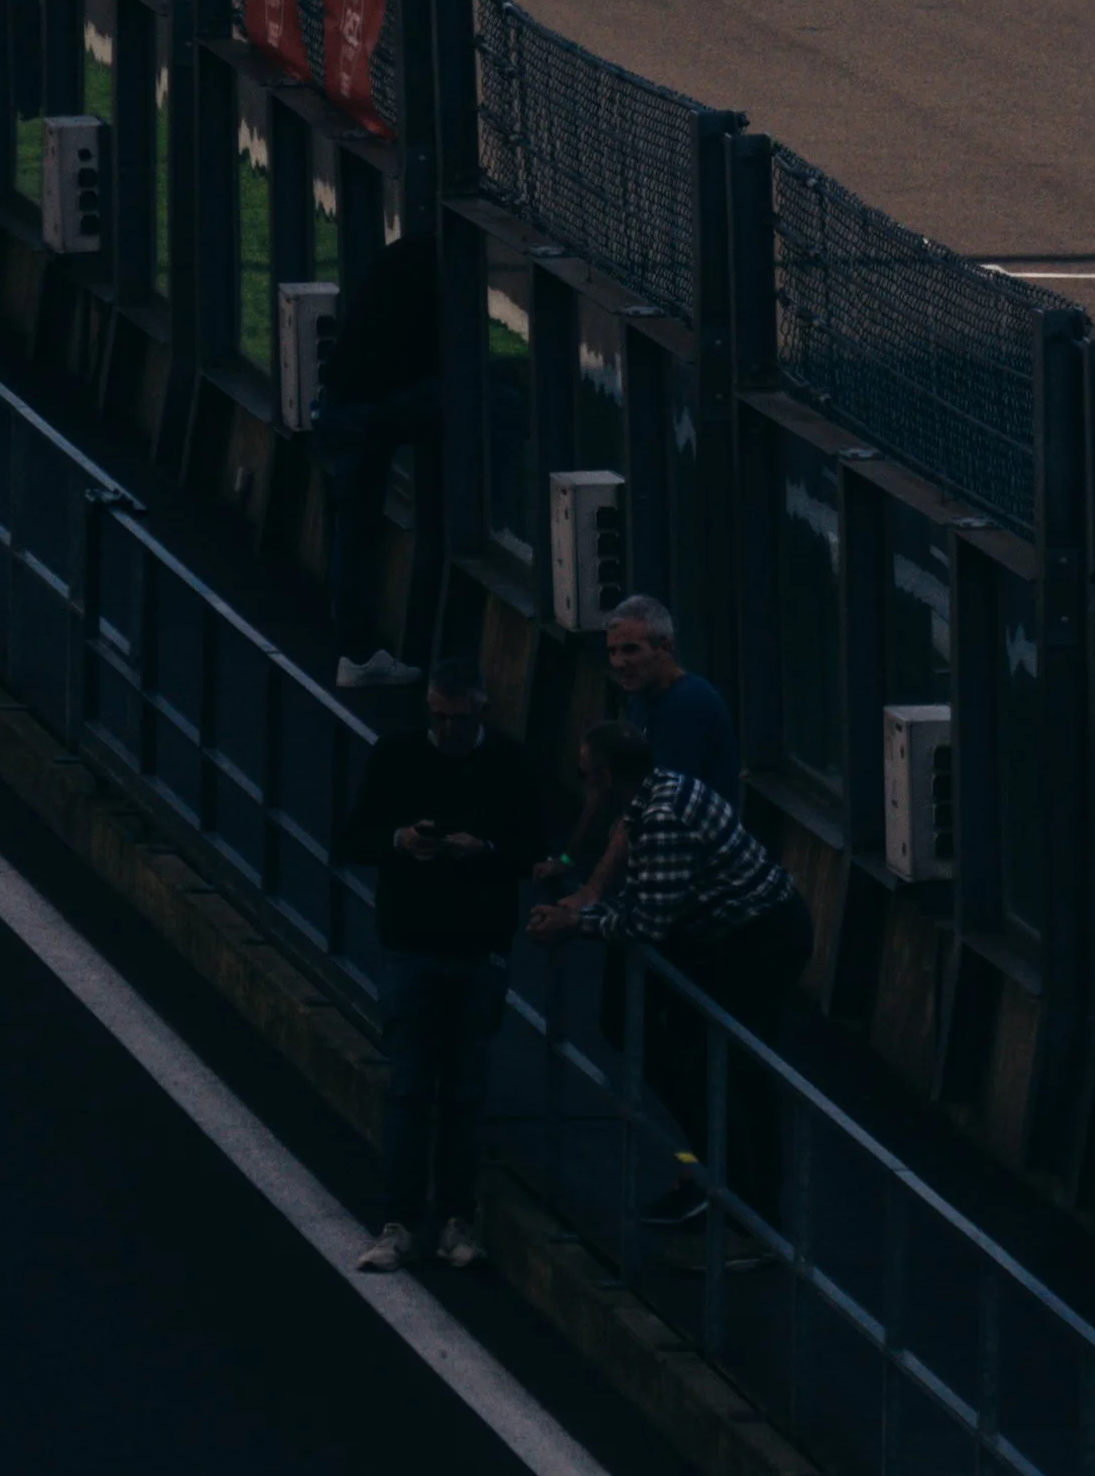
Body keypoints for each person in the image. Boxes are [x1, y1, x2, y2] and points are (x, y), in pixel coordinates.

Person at [530, 723, 811, 1230]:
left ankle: (750, 1205)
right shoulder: (665, 790)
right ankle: (719, 1173)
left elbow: (647, 922)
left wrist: (577, 920)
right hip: (737, 926)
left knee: (728, 1067)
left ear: (606, 777)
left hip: (760, 939)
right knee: (698, 1056)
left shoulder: (661, 819)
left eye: (585, 774)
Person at [342, 661, 546, 1272]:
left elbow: (532, 848)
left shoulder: (509, 765)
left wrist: (481, 850)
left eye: (458, 718)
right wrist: (400, 840)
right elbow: (356, 838)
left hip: (471, 947)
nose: (448, 729)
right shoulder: (398, 756)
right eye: (438, 717)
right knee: (412, 1089)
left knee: (458, 1090)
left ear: (481, 710)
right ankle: (405, 1220)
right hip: (418, 943)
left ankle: (452, 1217)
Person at [311, 229, 444, 691]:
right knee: (495, 403)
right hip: (364, 412)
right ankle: (357, 652)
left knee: (352, 529)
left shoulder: (398, 259)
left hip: (346, 406)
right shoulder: (431, 267)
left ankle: (356, 649)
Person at [607, 595, 740, 805]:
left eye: (630, 649)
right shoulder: (642, 698)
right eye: (612, 651)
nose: (618, 662)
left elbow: (668, 799)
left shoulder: (688, 704)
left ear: (665, 648)